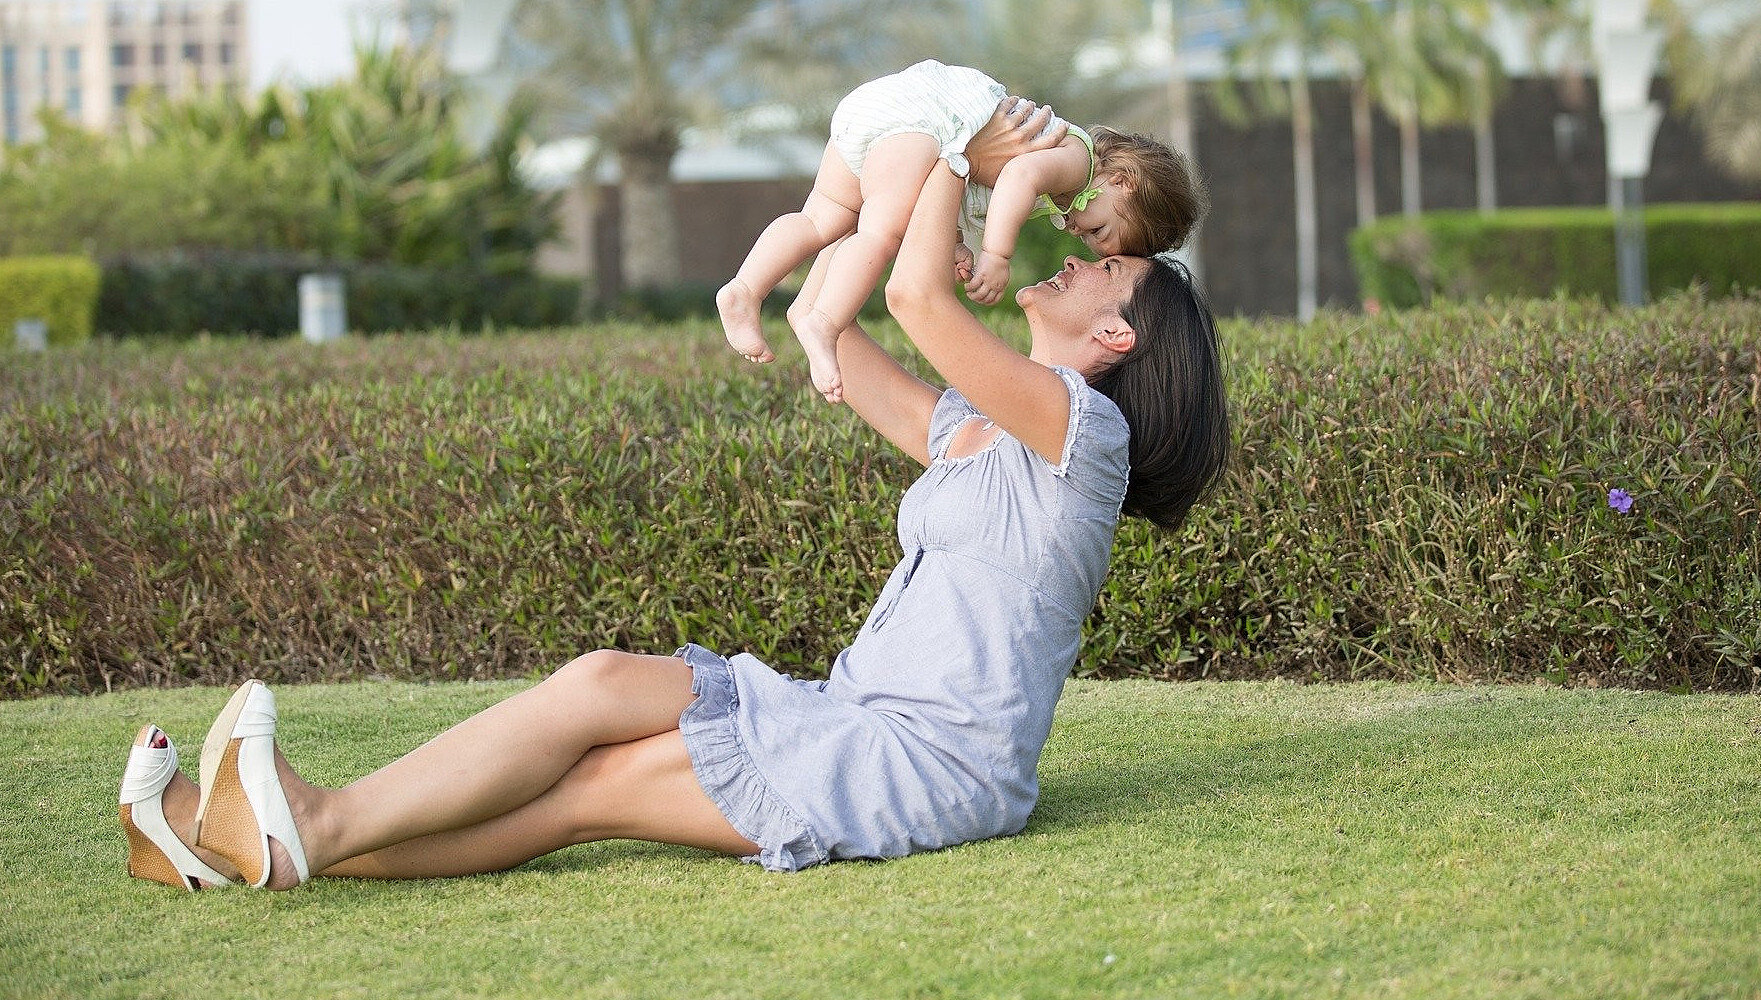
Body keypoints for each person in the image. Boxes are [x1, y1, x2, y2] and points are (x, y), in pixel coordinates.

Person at [114, 108, 1230, 889]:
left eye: (1102, 271)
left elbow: (915, 295)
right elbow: (841, 330)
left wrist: (953, 127)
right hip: (847, 709)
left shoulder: (1086, 434)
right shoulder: (982, 431)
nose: (1076, 257)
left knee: (595, 790)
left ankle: (299, 829)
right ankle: (232, 838)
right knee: (600, 685)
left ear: (1115, 336)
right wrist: (885, 187)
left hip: (926, 763)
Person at [716, 59, 1204, 403]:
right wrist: (995, 254)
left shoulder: (1070, 184)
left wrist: (954, 242)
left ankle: (745, 288)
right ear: (1123, 181)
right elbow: (1014, 175)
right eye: (1099, 230)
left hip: (888, 113)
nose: (1080, 234)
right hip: (927, 122)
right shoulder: (1078, 161)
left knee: (823, 218)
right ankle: (823, 321)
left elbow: (965, 182)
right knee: (881, 233)